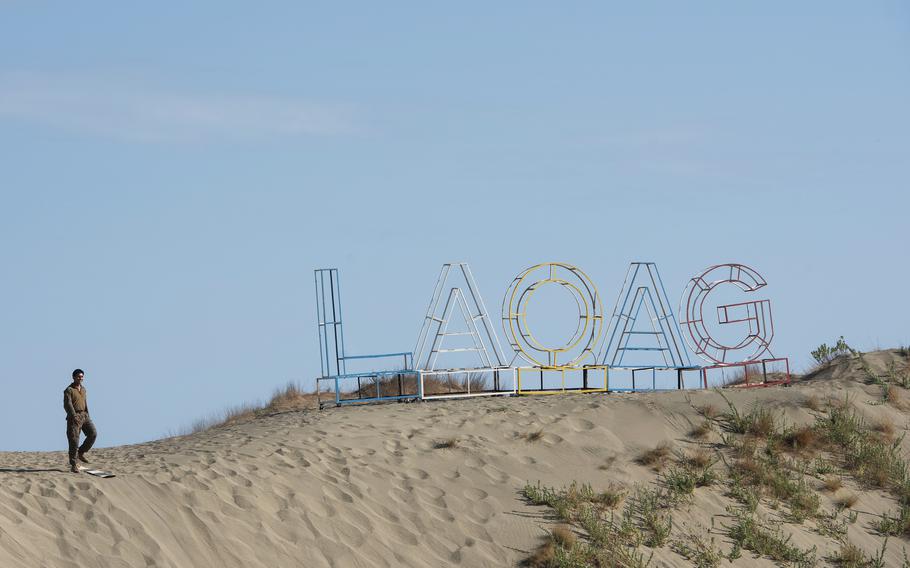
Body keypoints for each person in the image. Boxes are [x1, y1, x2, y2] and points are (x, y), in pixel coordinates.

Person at [64, 368, 97, 473]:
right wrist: (73, 416)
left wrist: (87, 414)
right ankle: (73, 464)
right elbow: (67, 404)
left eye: (82, 377)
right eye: (78, 376)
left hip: (84, 415)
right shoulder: (69, 390)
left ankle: (81, 452)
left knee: (93, 433)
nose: (80, 378)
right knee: (74, 441)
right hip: (74, 417)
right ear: (73, 377)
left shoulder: (83, 389)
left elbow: (85, 402)